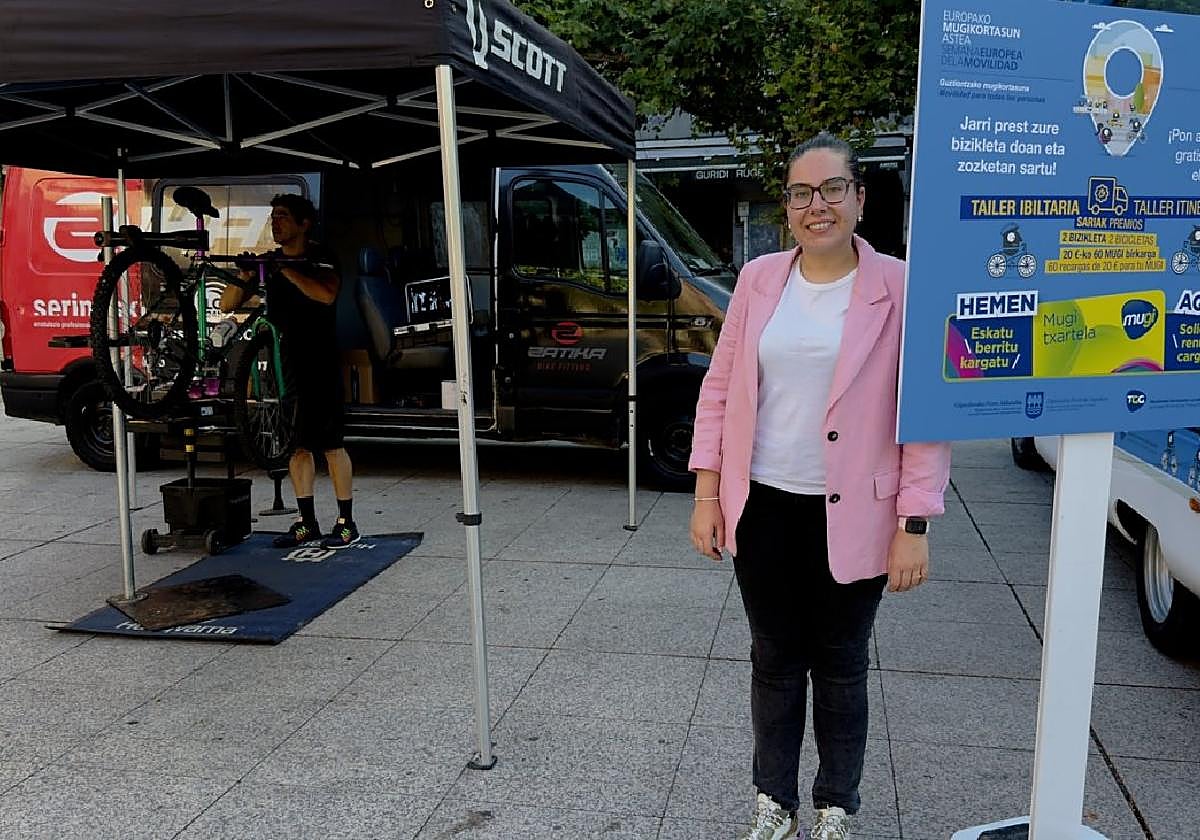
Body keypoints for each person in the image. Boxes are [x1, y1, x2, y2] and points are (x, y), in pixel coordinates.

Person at [687, 132, 951, 840]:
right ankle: (774, 801)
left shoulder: (899, 285)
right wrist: (707, 493)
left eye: (832, 188)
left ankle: (838, 803)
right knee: (774, 660)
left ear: (860, 198)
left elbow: (922, 411)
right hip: (764, 504)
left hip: (859, 513)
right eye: (802, 193)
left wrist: (914, 522)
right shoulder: (758, 279)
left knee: (839, 666)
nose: (817, 205)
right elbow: (721, 388)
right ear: (787, 207)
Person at [220, 193, 359, 549]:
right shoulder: (273, 262)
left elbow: (326, 295)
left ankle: (346, 522)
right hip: (287, 364)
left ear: (303, 223)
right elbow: (227, 304)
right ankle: (306, 521)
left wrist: (287, 270)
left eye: (282, 216)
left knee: (331, 444)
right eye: (273, 218)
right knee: (297, 447)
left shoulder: (320, 257)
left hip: (322, 361)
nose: (275, 223)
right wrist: (246, 274)